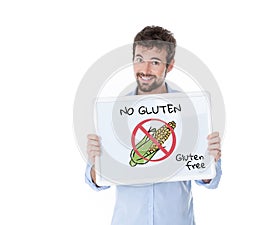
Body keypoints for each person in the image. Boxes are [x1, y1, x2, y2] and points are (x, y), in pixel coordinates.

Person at [85, 26, 222, 225]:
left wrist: (211, 159)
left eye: (155, 62)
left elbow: (209, 180)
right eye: (139, 59)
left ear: (170, 66)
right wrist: (97, 163)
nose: (145, 70)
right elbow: (96, 182)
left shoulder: (191, 110)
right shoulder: (113, 112)